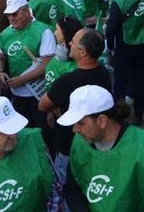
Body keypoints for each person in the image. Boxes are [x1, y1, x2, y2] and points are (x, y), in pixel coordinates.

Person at [59, 85, 144, 211]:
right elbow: (73, 189)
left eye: (81, 123)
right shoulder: (80, 142)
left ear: (102, 121)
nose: (74, 129)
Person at [38, 28, 111, 207]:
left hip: (67, 146)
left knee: (67, 191)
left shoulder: (68, 81)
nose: (69, 42)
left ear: (82, 52)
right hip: (95, 146)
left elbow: (42, 104)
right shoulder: (103, 72)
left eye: (74, 41)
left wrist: (54, 109)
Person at [0, 0, 55, 128]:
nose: (11, 18)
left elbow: (47, 64)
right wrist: (0, 72)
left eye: (15, 14)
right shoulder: (5, 34)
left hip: (39, 94)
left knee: (42, 131)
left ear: (26, 11)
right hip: (17, 94)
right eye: (8, 15)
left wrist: (22, 80)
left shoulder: (43, 31)